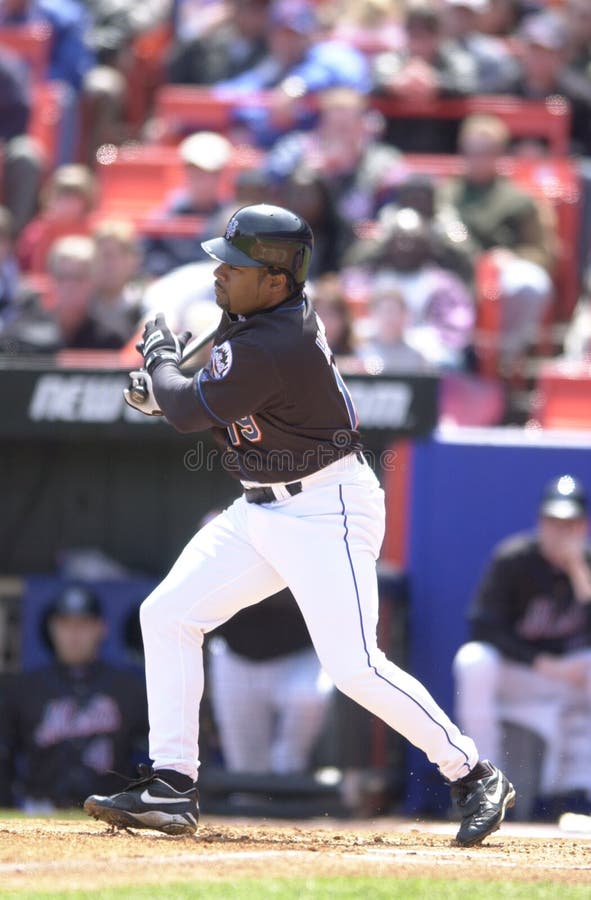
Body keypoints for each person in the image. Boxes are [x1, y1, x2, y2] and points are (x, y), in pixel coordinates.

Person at [84, 202, 515, 846]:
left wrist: (161, 366)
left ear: (278, 281)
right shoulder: (255, 320)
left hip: (324, 508)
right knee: (167, 614)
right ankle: (172, 784)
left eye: (237, 267)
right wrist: (172, 386)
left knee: (354, 665)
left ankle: (473, 773)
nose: (221, 275)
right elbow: (197, 399)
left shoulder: (275, 341)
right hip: (261, 506)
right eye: (222, 264)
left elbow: (185, 410)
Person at [453, 475, 591, 818]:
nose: (560, 531)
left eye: (569, 524)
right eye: (553, 522)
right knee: (474, 661)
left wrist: (577, 570)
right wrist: (539, 662)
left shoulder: (587, 564)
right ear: (540, 522)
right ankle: (485, 786)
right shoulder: (514, 559)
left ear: (583, 526)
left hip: (570, 678)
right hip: (519, 673)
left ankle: (576, 793)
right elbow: (482, 625)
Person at [0, 585, 148, 810]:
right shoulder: (24, 688)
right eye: (65, 625)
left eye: (84, 625)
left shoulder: (129, 688)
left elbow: (152, 755)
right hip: (39, 810)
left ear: (101, 628)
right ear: (51, 628)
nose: (74, 634)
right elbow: (5, 755)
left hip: (113, 807)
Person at [209, 585, 333, 774]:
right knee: (247, 773)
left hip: (302, 655)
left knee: (307, 699)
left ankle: (292, 779)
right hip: (236, 656)